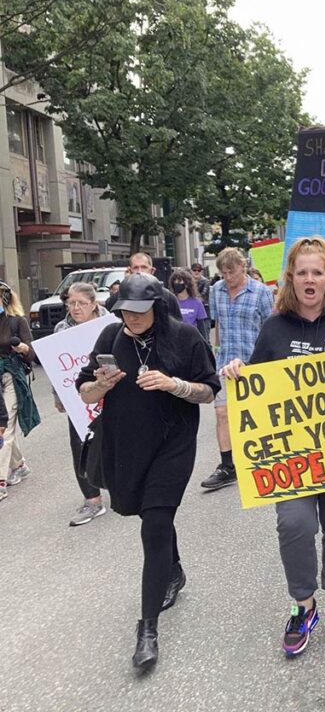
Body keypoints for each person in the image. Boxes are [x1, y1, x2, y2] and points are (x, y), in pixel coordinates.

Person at [220, 236, 325, 656]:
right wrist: (239, 371)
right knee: (294, 525)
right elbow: (258, 386)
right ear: (291, 277)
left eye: (318, 271)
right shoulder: (275, 328)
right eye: (302, 272)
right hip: (292, 457)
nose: (310, 279)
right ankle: (303, 603)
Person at [77, 274, 219, 669]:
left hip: (173, 444)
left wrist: (173, 384)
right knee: (150, 512)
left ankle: (147, 630)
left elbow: (209, 391)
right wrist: (101, 385)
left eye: (139, 312)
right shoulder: (109, 338)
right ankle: (173, 569)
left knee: (154, 523)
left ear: (156, 305)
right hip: (127, 445)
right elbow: (84, 391)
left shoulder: (184, 337)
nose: (131, 318)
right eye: (124, 311)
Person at [200, 247, 273, 491]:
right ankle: (227, 465)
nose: (227, 277)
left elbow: (270, 326)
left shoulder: (261, 292)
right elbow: (218, 322)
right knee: (222, 413)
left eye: (231, 272)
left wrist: (268, 360)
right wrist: (215, 350)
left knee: (254, 414)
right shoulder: (216, 291)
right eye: (223, 273)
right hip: (224, 361)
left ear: (242, 267)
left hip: (252, 360)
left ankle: (260, 457)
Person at [53, 283, 109, 525]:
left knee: (119, 439)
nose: (75, 308)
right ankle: (92, 500)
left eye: (81, 303)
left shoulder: (110, 324)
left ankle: (124, 486)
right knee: (80, 444)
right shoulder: (62, 328)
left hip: (111, 391)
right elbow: (55, 361)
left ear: (93, 304)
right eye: (71, 303)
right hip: (78, 395)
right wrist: (58, 395)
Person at [0, 280, 39, 501]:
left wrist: (23, 348)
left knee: (3, 427)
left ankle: (0, 481)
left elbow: (32, 353)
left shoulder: (17, 322)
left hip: (11, 377)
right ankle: (19, 465)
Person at [105, 252, 182, 320]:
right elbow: (110, 307)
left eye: (144, 267)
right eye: (136, 268)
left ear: (152, 271)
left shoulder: (167, 296)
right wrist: (126, 285)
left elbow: (177, 326)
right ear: (130, 271)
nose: (140, 271)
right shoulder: (123, 294)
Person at [169, 268, 210, 342]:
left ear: (187, 284)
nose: (176, 284)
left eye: (179, 281)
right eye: (174, 282)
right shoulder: (170, 302)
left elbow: (202, 329)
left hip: (191, 341)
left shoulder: (197, 303)